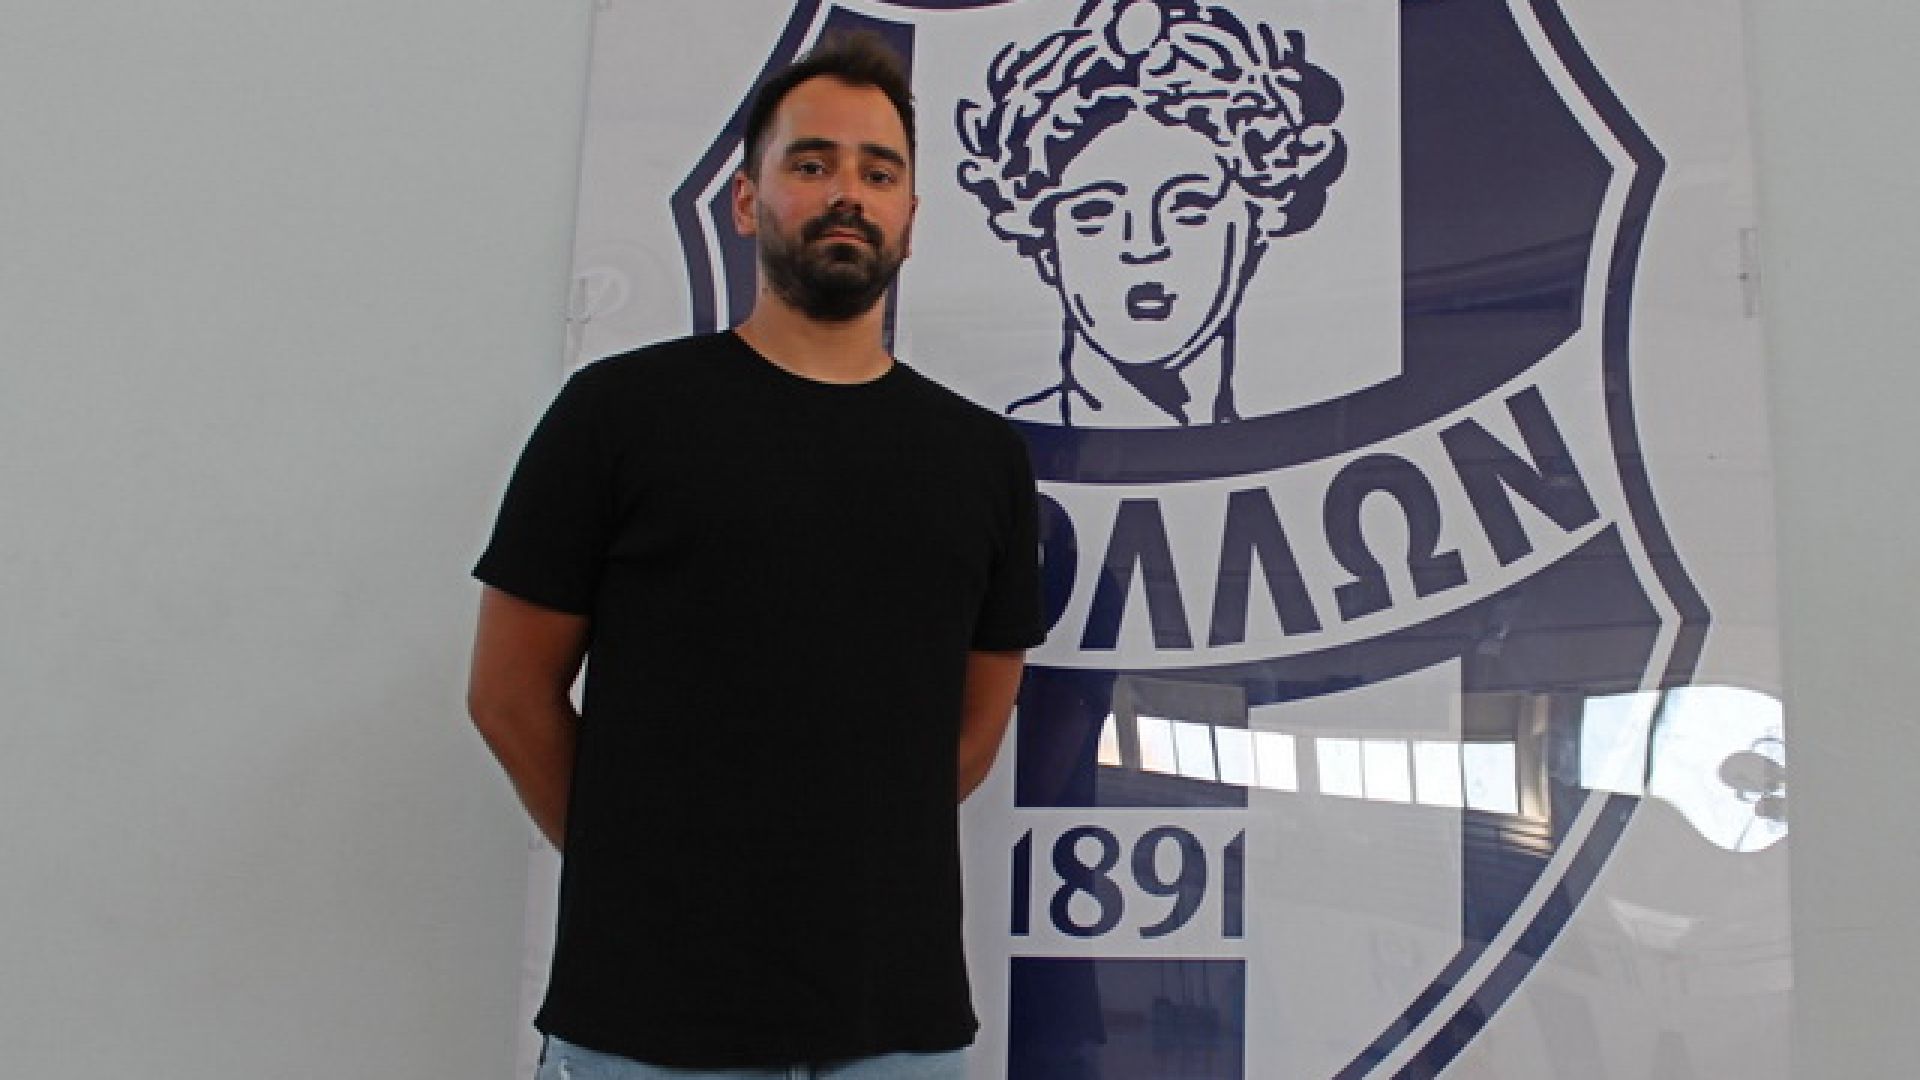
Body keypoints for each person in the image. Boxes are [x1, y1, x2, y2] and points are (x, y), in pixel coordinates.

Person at [466, 33, 1045, 1080]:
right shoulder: (618, 415)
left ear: (911, 220)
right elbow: (508, 694)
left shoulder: (982, 459)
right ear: (746, 201)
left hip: (896, 1029)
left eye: (879, 172)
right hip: (645, 1026)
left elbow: (970, 735)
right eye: (811, 163)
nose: (848, 193)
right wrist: (639, 879)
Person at [956, 0, 1347, 426]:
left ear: (1257, 224)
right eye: (1095, 213)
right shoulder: (989, 445)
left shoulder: (1306, 428)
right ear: (1046, 246)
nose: (1143, 246)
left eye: (1190, 207)